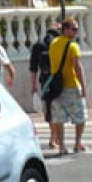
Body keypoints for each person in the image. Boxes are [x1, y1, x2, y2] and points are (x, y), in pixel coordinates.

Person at [48, 18, 87, 154]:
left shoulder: (53, 43)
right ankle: (77, 143)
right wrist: (83, 85)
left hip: (56, 86)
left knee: (59, 118)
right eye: (73, 29)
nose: (76, 32)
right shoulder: (73, 46)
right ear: (65, 30)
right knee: (80, 115)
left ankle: (62, 147)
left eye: (76, 29)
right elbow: (77, 67)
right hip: (71, 85)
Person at [29, 19, 60, 149]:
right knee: (58, 109)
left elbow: (33, 68)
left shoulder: (38, 45)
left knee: (49, 109)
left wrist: (33, 85)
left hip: (46, 81)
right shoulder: (61, 43)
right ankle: (55, 137)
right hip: (60, 80)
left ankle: (54, 137)